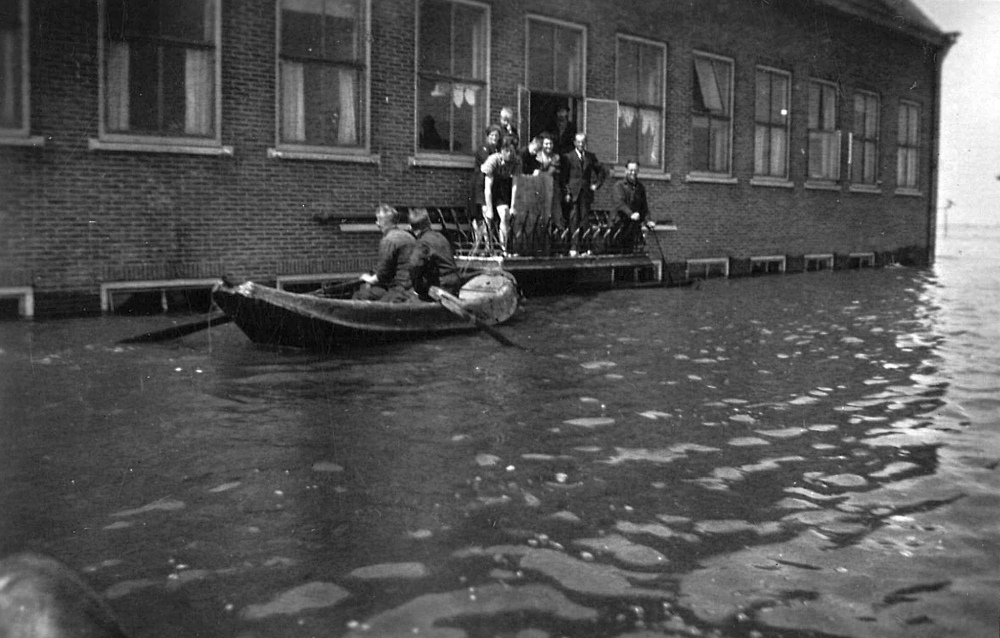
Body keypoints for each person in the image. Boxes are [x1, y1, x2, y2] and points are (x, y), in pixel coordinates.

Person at [353, 204, 415, 302]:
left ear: (378, 224)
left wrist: (367, 279)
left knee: (360, 295)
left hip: (400, 290)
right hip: (413, 287)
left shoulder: (388, 240)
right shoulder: (409, 236)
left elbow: (382, 275)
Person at [560, 132, 607, 256]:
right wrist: (567, 192)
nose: (581, 144)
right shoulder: (568, 157)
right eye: (579, 142)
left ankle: (587, 247)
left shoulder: (590, 157)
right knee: (573, 218)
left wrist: (596, 185)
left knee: (585, 220)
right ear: (575, 143)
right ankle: (574, 247)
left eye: (583, 142)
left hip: (585, 193)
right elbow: (563, 178)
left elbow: (602, 171)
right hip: (573, 192)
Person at [407, 207, 462, 300]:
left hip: (441, 286)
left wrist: (418, 288)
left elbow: (414, 265)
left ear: (412, 228)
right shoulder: (440, 236)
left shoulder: (423, 242)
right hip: (454, 282)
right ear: (429, 223)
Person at [481, 139, 520, 253]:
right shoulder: (493, 160)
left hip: (501, 186)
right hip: (484, 185)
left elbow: (515, 185)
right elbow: (487, 187)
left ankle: (504, 248)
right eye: (507, 151)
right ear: (502, 151)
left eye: (512, 151)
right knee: (487, 217)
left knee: (505, 213)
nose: (509, 154)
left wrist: (513, 206)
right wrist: (489, 209)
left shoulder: (516, 161)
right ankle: (488, 247)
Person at [612, 160, 654, 253]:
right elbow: (620, 204)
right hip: (619, 227)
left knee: (633, 254)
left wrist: (648, 221)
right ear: (626, 171)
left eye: (635, 170)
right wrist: (631, 214)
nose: (633, 173)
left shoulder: (640, 188)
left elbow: (644, 207)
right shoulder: (619, 186)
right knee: (620, 256)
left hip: (633, 229)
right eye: (631, 170)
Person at [472, 125, 503, 248]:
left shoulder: (498, 150)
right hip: (481, 184)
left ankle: (488, 245)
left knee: (490, 215)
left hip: (492, 185)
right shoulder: (483, 148)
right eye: (492, 135)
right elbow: (489, 162)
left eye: (496, 136)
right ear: (487, 136)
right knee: (484, 213)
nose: (494, 138)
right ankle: (484, 244)